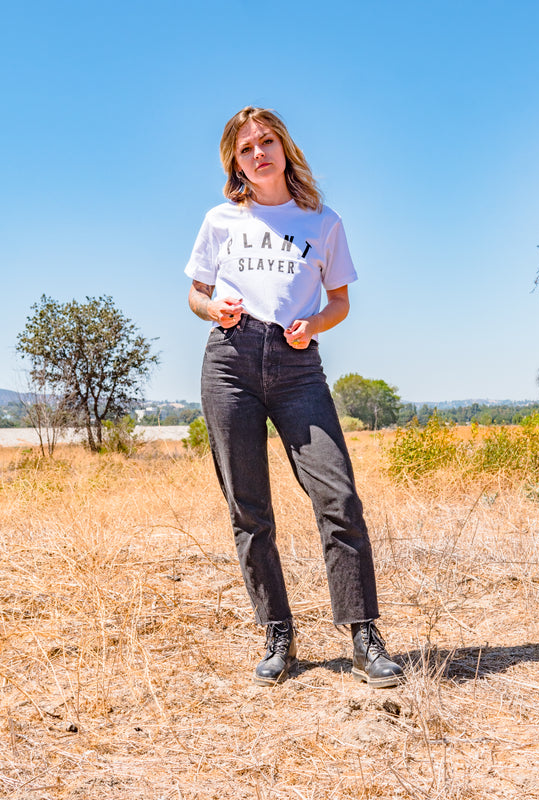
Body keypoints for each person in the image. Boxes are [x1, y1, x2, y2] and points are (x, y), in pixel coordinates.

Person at [185, 106, 402, 689]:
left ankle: (363, 634)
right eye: (247, 147)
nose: (259, 153)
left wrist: (314, 325)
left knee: (338, 495)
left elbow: (339, 302)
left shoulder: (322, 221)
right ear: (235, 160)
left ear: (284, 148)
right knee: (248, 507)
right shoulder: (220, 220)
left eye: (268, 142)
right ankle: (277, 633)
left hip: (297, 363)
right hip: (230, 360)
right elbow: (195, 294)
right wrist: (213, 309)